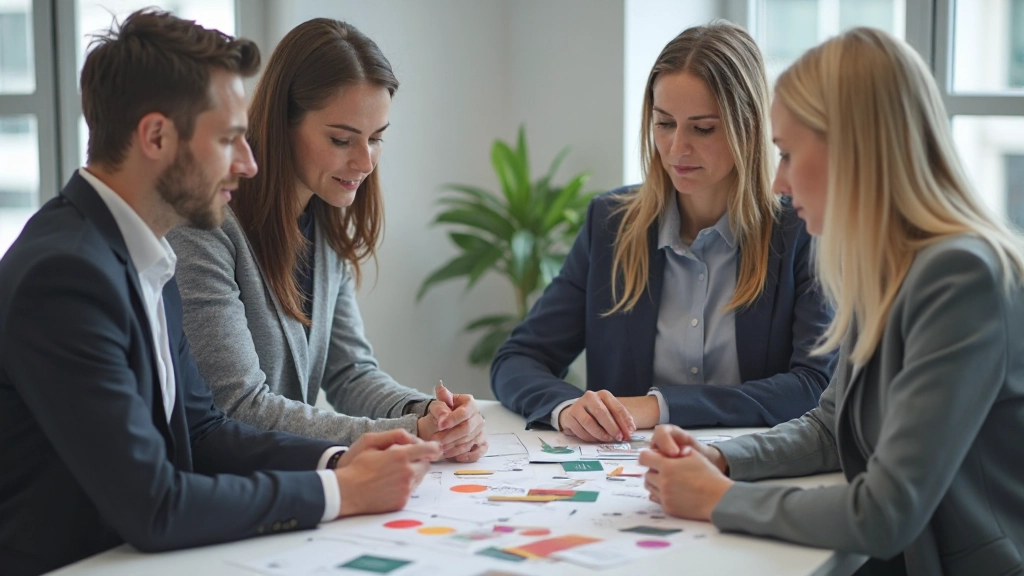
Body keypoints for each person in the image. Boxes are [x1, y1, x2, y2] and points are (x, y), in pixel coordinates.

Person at [0, 11, 441, 576]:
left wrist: (341, 457)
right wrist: (342, 493)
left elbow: (202, 431)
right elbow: (154, 504)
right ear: (156, 136)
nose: (250, 162)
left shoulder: (141, 253)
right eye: (230, 139)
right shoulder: (66, 275)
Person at [639, 28, 1024, 575]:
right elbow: (828, 427)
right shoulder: (891, 267)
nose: (777, 182)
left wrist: (719, 500)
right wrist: (720, 459)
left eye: (789, 154)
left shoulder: (960, 277)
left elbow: (886, 512)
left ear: (855, 152)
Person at [491, 22, 835, 441]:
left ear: (749, 128)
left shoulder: (802, 231)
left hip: (749, 473)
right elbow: (518, 358)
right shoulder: (611, 224)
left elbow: (815, 387)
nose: (677, 149)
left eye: (702, 128)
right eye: (664, 123)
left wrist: (658, 407)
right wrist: (567, 409)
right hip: (626, 478)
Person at [166, 18, 486, 461]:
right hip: (227, 490)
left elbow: (350, 372)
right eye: (341, 139)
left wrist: (430, 412)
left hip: (285, 479)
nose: (365, 162)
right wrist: (410, 431)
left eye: (376, 139)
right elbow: (238, 407)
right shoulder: (206, 227)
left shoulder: (323, 217)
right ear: (282, 124)